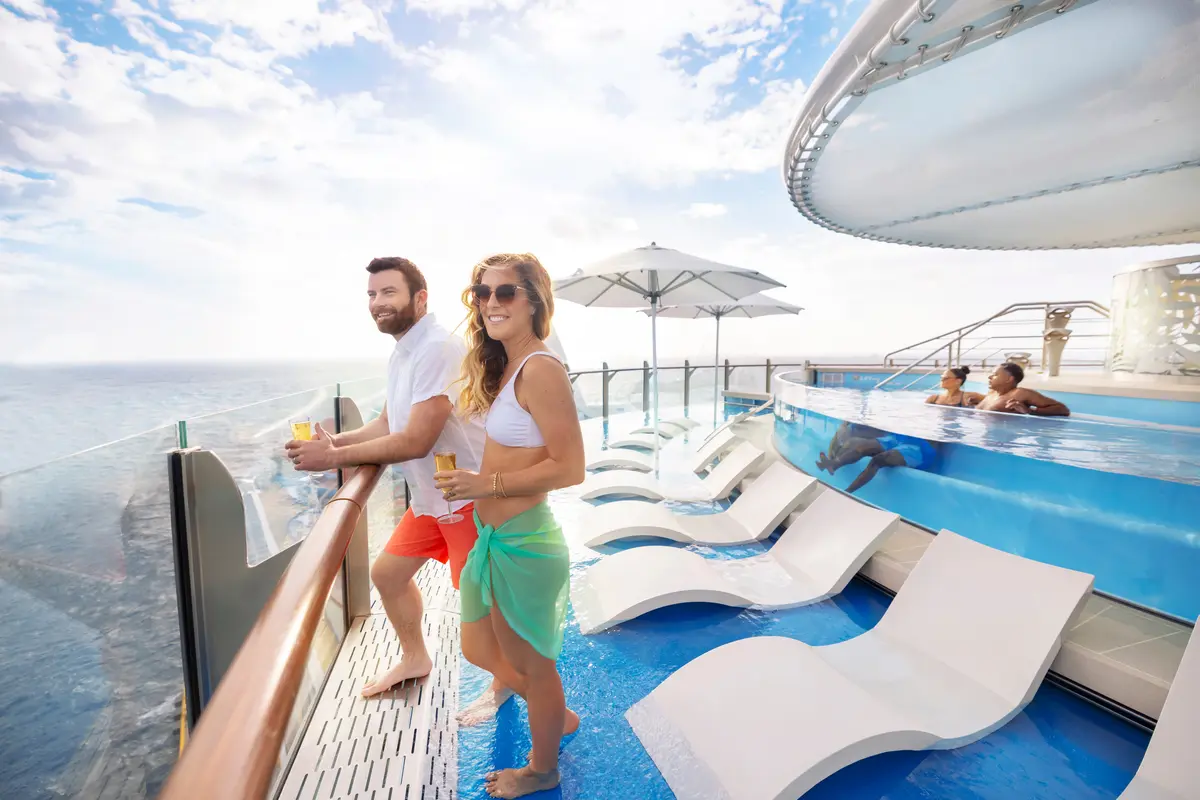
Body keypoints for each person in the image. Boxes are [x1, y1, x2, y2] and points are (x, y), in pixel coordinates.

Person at [285, 256, 507, 700]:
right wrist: (335, 444)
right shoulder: (403, 351)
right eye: (371, 294)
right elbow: (389, 424)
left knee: (483, 603)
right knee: (388, 575)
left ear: (419, 298)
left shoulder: (438, 348)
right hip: (431, 499)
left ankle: (505, 684)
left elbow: (415, 441)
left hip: (466, 497)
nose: (377, 303)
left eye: (389, 292)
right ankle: (415, 657)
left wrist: (331, 458)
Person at [433, 253, 585, 799]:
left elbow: (570, 467)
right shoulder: (514, 367)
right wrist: (479, 481)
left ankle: (543, 769)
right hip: (498, 541)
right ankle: (555, 714)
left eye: (505, 293)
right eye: (482, 292)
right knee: (478, 647)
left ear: (533, 301)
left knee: (534, 668)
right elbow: (517, 453)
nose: (490, 303)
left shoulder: (541, 369)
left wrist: (485, 486)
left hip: (526, 544)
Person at [815, 421, 938, 492]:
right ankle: (833, 465)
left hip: (918, 449)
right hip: (901, 438)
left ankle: (848, 492)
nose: (942, 379)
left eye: (946, 377)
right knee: (861, 447)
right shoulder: (932, 399)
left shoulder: (951, 405)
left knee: (878, 460)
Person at [973, 362, 1070, 416]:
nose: (990, 377)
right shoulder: (992, 393)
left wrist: (1029, 411)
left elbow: (1063, 409)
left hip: (1001, 440)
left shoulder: (1020, 393)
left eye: (995, 375)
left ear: (1009, 379)